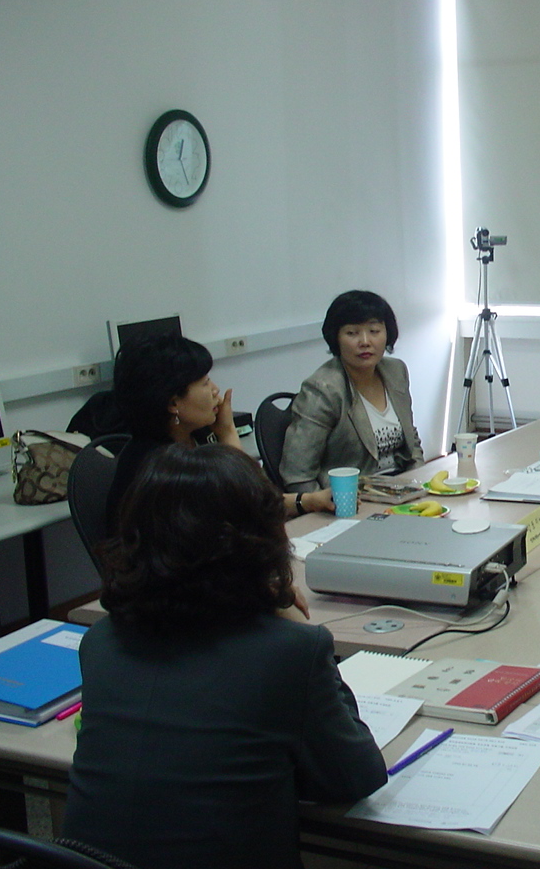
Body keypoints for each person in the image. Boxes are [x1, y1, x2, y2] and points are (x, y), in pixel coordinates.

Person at [63, 445, 387, 869]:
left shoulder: (102, 641)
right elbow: (356, 777)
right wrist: (300, 628)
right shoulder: (288, 653)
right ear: (258, 540)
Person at [108, 334, 330, 527]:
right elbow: (256, 506)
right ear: (173, 403)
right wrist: (229, 435)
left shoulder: (195, 437)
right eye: (204, 383)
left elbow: (259, 500)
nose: (215, 390)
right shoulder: (162, 467)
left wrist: (310, 501)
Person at [281, 290, 424, 490]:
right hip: (350, 499)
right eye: (352, 333)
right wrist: (331, 507)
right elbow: (298, 476)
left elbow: (412, 442)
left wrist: (422, 484)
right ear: (336, 339)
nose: (365, 341)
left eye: (374, 331)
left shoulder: (395, 371)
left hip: (402, 492)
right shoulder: (323, 390)